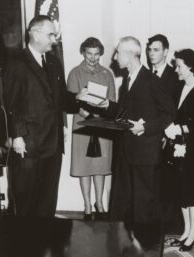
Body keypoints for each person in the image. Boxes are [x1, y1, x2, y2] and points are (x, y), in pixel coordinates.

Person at [79, 36, 175, 224]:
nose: (115, 57)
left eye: (118, 53)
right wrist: (105, 104)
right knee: (125, 203)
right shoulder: (127, 81)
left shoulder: (150, 80)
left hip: (145, 152)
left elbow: (170, 112)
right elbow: (122, 112)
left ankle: (144, 247)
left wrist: (145, 127)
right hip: (127, 151)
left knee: (143, 205)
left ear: (130, 54)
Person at [3, 15, 80, 217]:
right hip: (28, 144)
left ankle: (43, 242)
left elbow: (61, 98)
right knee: (26, 200)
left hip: (52, 144)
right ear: (35, 34)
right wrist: (17, 136)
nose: (54, 39)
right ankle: (23, 247)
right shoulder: (16, 61)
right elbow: (11, 102)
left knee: (47, 199)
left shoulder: (54, 62)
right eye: (50, 35)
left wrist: (80, 98)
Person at [67, 37, 116, 220]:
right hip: (82, 125)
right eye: (89, 54)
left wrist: (101, 116)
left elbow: (112, 100)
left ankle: (100, 203)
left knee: (100, 166)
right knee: (84, 165)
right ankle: (87, 205)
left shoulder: (107, 74)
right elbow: (73, 101)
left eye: (96, 54)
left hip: (102, 124)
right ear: (83, 52)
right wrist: (88, 116)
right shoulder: (74, 73)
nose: (93, 58)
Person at [165, 49, 194, 251]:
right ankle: (187, 228)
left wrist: (181, 128)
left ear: (190, 67)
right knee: (180, 187)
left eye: (179, 65)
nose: (176, 69)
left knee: (191, 189)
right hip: (177, 145)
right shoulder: (178, 87)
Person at [146, 34, 180, 224]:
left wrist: (165, 133)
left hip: (167, 136)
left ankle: (166, 222)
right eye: (149, 49)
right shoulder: (145, 75)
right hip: (148, 137)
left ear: (166, 52)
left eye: (156, 49)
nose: (151, 53)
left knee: (165, 181)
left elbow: (174, 109)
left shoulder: (174, 77)